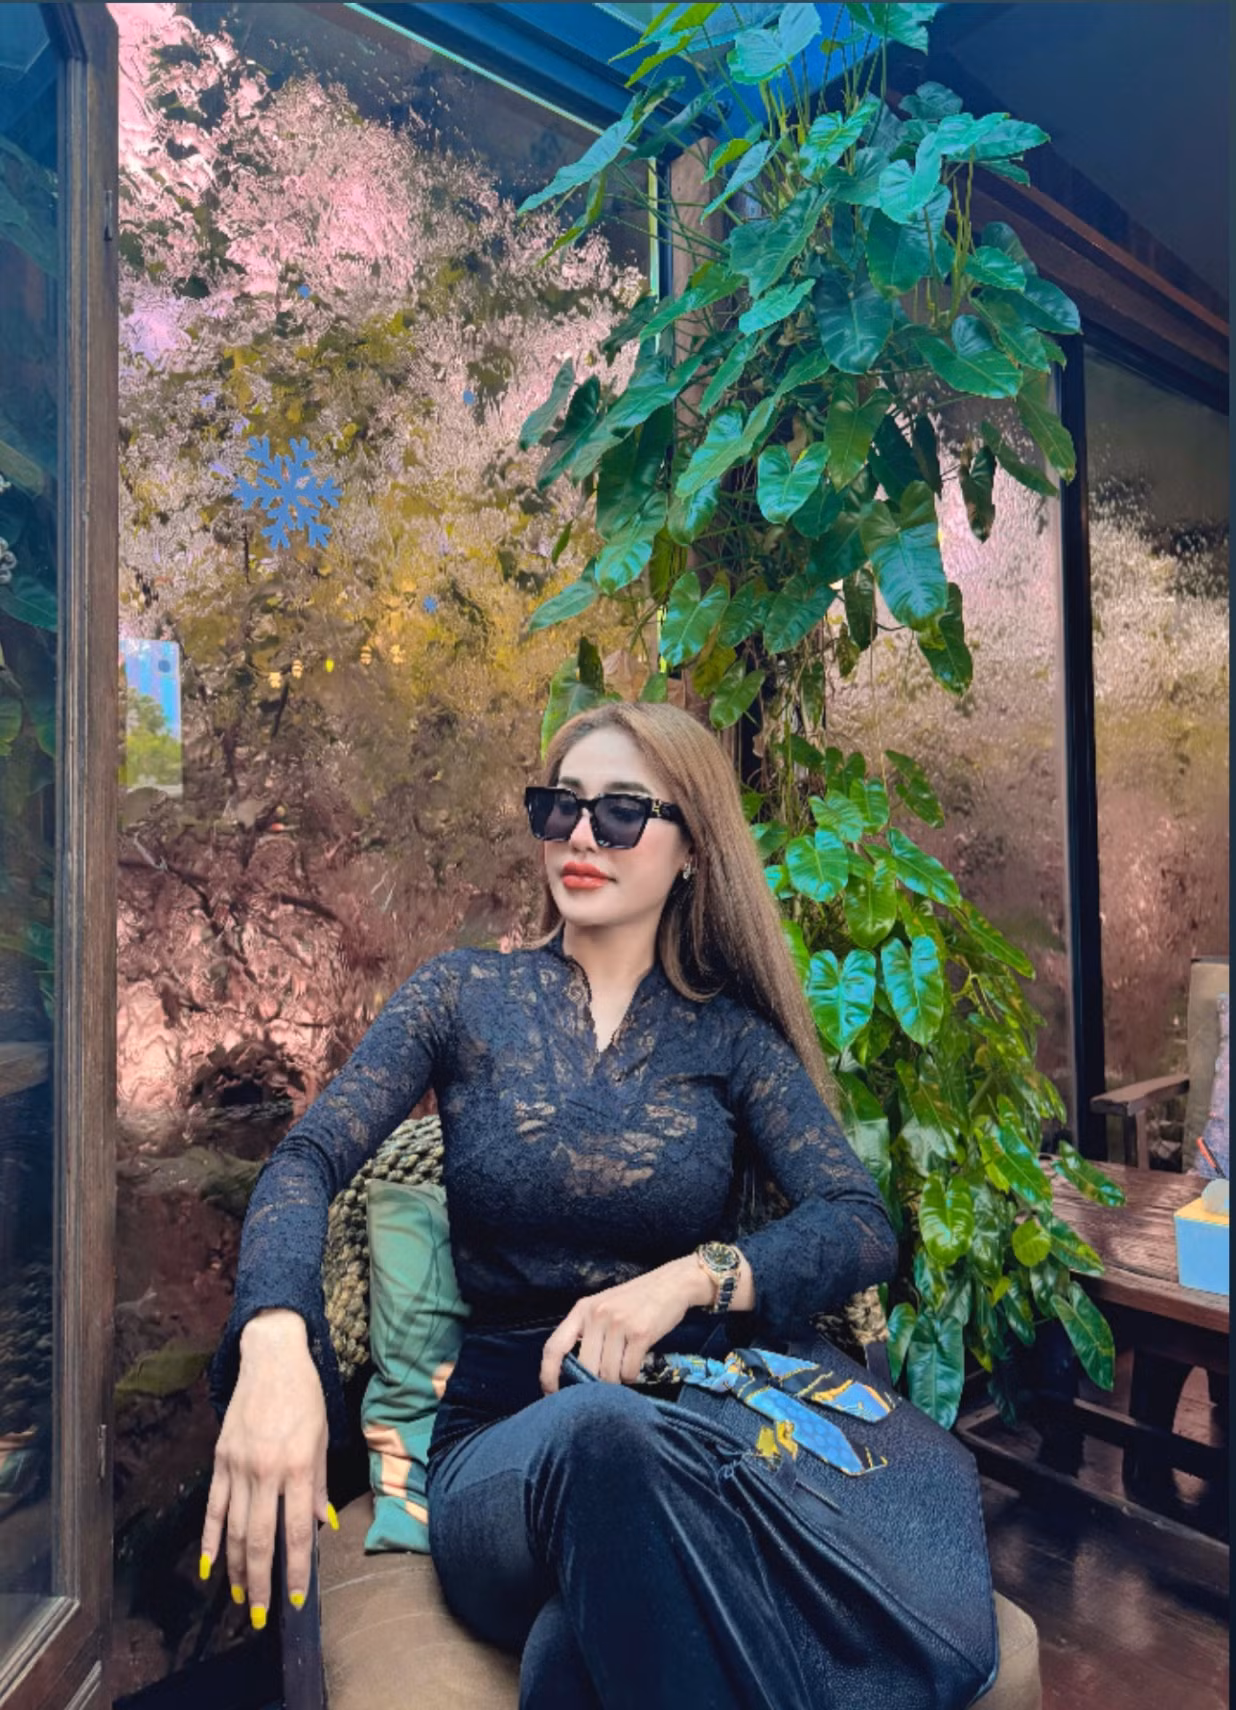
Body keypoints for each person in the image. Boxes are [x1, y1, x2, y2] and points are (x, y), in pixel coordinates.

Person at [203, 700, 995, 1709]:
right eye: (560, 806)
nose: (581, 835)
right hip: (508, 1451)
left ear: (691, 849)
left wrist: (689, 1281)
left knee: (571, 1662)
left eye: (621, 812)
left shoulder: (732, 1040)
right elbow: (308, 1158)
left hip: (699, 1422)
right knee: (605, 1436)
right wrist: (275, 1335)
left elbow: (857, 1221)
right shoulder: (462, 997)